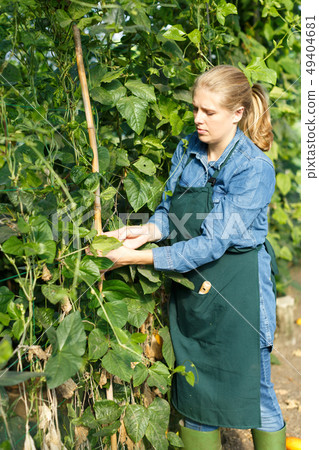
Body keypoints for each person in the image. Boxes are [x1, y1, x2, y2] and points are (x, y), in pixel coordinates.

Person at [100, 65, 286, 449]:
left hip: (240, 292)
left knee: (258, 392)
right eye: (196, 109)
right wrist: (143, 232)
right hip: (194, 289)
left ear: (237, 113)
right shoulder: (188, 148)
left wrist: (138, 259)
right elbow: (172, 213)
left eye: (210, 112)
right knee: (195, 393)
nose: (199, 119)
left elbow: (212, 243)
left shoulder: (253, 169)